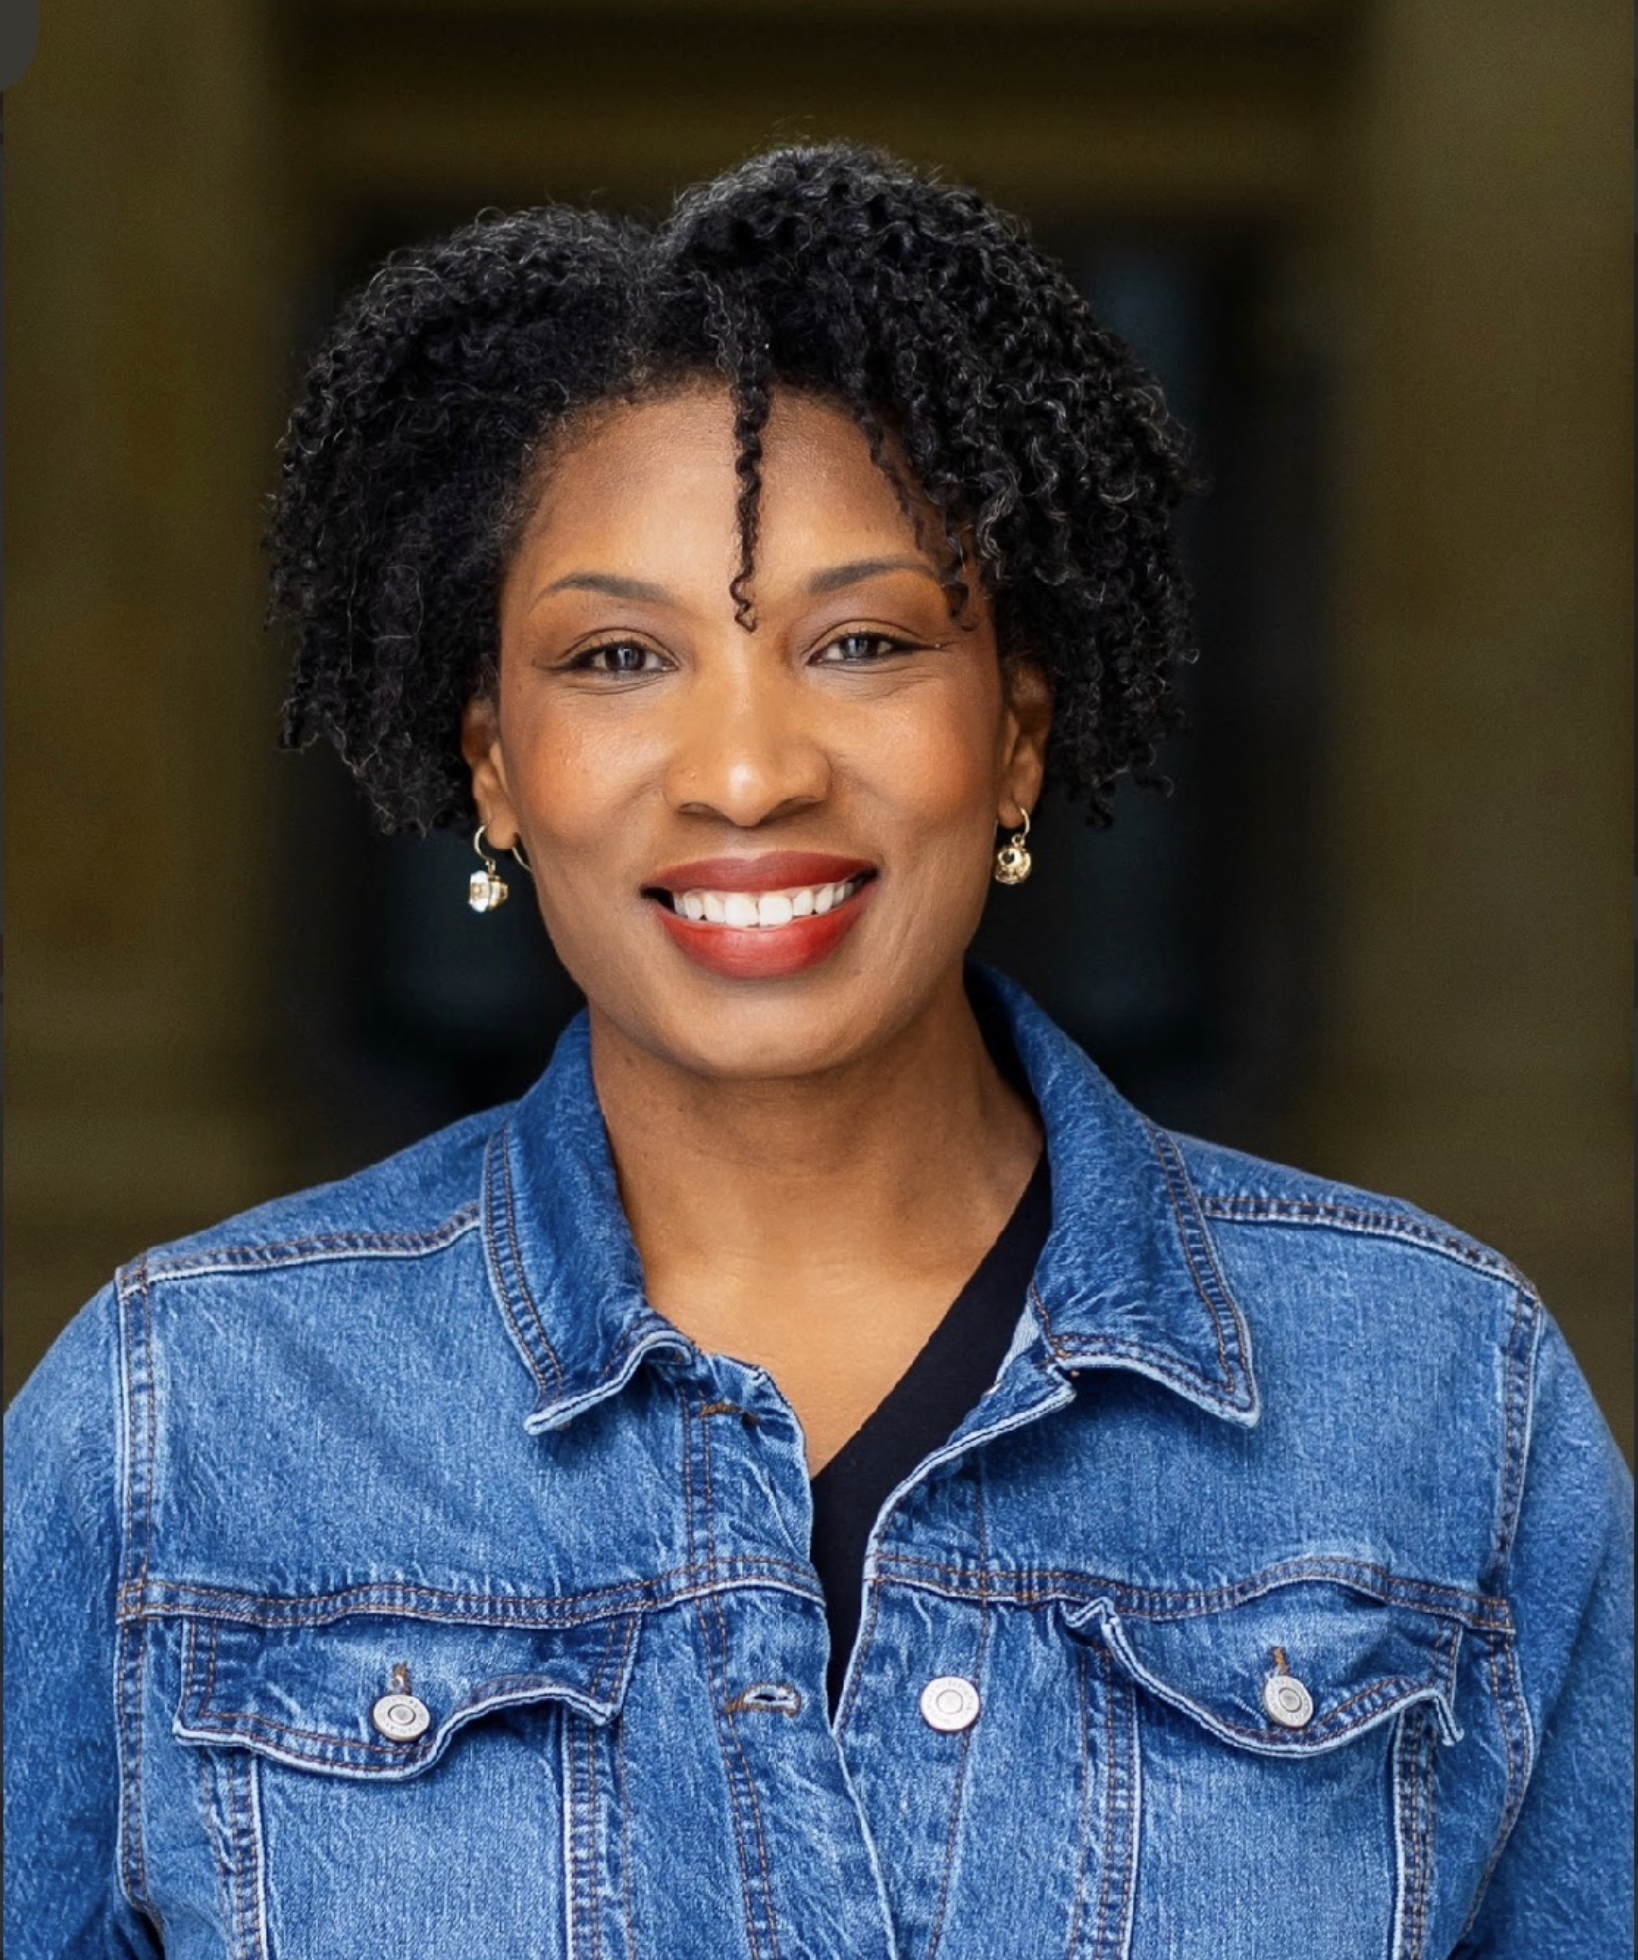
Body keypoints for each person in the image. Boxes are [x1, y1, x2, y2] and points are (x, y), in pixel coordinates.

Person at [4, 143, 1630, 1959]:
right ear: (490, 766)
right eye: (617, 659)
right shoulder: (180, 1416)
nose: (750, 769)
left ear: (1011, 737)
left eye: (859, 642)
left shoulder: (1436, 1394)